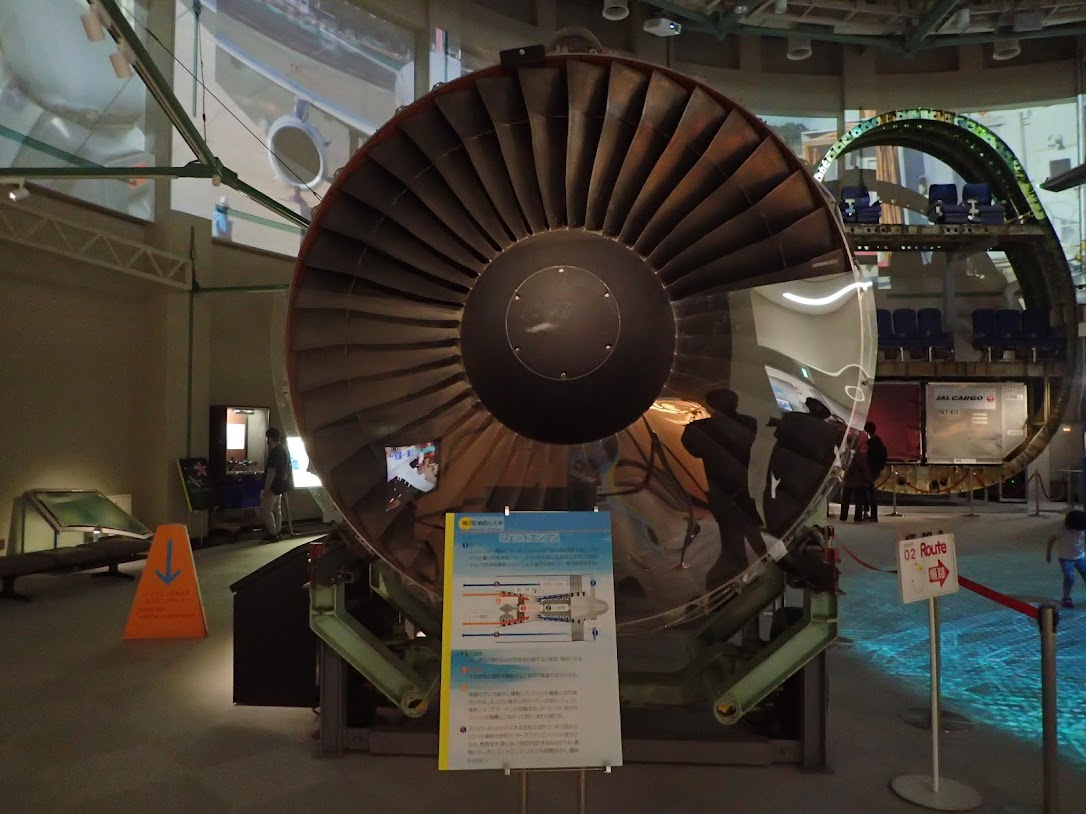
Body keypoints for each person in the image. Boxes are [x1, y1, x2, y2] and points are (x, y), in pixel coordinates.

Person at [1046, 509, 1086, 609]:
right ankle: (1066, 597)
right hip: (1066, 559)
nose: (1079, 531)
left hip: (1080, 557)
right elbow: (1051, 540)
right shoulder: (1062, 530)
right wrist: (1048, 554)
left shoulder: (1082, 529)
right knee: (1069, 578)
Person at [261, 428, 292, 542]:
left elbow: (271, 472)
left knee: (266, 509)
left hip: (273, 486)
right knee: (277, 509)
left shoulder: (274, 452)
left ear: (270, 438)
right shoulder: (283, 450)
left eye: (267, 438)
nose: (267, 441)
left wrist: (266, 488)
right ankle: (278, 531)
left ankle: (273, 533)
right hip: (281, 485)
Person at [839, 439, 872, 522]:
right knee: (859, 501)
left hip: (847, 481)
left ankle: (843, 516)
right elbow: (864, 468)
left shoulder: (845, 454)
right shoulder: (859, 455)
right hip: (858, 481)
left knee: (845, 500)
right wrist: (868, 479)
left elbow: (842, 466)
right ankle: (858, 517)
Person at [864, 422, 888, 523]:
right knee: (870, 491)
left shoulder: (869, 444)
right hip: (876, 470)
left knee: (869, 492)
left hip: (869, 470)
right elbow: (884, 455)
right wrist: (880, 467)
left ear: (866, 431)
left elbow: (866, 457)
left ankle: (870, 514)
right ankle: (872, 514)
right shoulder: (879, 443)